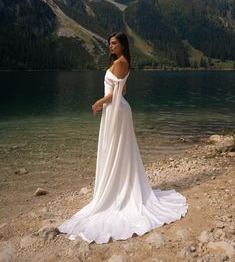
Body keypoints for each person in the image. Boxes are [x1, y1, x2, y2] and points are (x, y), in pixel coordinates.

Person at [58, 31, 188, 244]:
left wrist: (100, 102)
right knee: (117, 150)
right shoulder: (121, 62)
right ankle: (119, 187)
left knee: (116, 150)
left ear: (122, 45)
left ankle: (118, 191)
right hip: (116, 110)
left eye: (114, 43)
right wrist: (106, 102)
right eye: (109, 43)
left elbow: (118, 93)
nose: (110, 46)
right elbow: (123, 90)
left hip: (116, 111)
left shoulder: (121, 62)